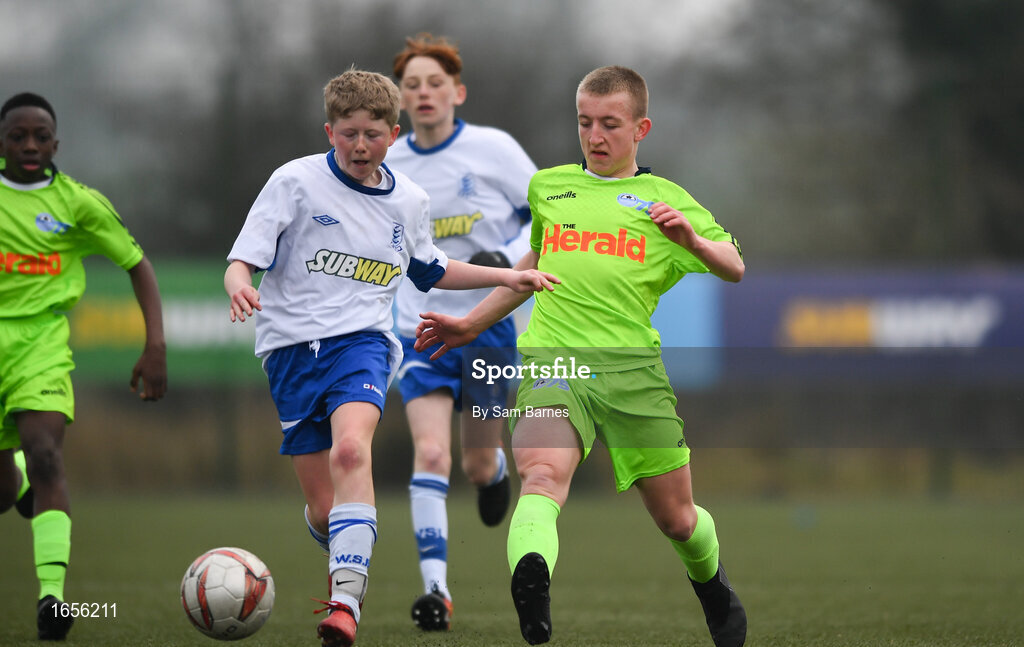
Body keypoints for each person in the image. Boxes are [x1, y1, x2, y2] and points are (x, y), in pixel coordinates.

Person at [414, 66, 748, 646]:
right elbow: (530, 269)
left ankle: (711, 583)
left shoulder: (664, 199)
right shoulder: (549, 188)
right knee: (542, 475)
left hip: (633, 375)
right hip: (555, 362)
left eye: (610, 124)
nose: (595, 136)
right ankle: (533, 587)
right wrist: (470, 323)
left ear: (640, 128)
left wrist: (690, 242)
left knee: (679, 519)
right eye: (585, 122)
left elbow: (734, 265)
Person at [223, 68, 557, 647]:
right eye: (348, 133)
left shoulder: (409, 199)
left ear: (393, 135)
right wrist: (237, 283)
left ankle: (345, 606)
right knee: (326, 513)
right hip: (289, 353)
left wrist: (509, 273)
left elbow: (432, 270)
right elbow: (242, 259)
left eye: (372, 135)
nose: (359, 146)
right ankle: (350, 552)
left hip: (367, 343)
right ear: (330, 131)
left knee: (354, 450)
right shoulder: (293, 183)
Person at [0, 92, 167, 641]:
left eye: (39, 136)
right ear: (2, 142)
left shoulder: (78, 203)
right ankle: (16, 480)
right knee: (5, 491)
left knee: (47, 455)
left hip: (40, 343)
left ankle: (53, 603)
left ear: (56, 143)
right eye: (17, 135)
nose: (29, 145)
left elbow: (137, 264)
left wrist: (155, 346)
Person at [386, 33, 538, 632]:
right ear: (399, 98)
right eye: (412, 85)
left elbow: (544, 214)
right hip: (416, 327)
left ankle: (494, 475)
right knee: (430, 452)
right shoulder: (388, 160)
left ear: (458, 92)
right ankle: (436, 592)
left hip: (491, 328)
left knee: (476, 464)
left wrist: (504, 254)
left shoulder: (493, 149)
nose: (423, 94)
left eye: (435, 83)